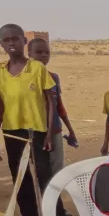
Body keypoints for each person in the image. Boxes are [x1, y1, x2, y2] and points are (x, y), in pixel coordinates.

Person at [0, 23, 69, 216]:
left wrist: (49, 133)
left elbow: (51, 102)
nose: (11, 43)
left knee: (45, 179)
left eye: (16, 39)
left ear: (24, 42)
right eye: (6, 40)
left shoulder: (36, 68)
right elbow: (0, 104)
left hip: (37, 131)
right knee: (20, 179)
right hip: (12, 132)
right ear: (1, 44)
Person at [28, 38, 77, 176]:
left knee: (57, 166)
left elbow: (58, 105)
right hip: (35, 130)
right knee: (39, 167)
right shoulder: (25, 78)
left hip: (54, 129)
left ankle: (56, 196)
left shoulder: (53, 77)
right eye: (39, 52)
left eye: (47, 53)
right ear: (29, 54)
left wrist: (70, 129)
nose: (44, 55)